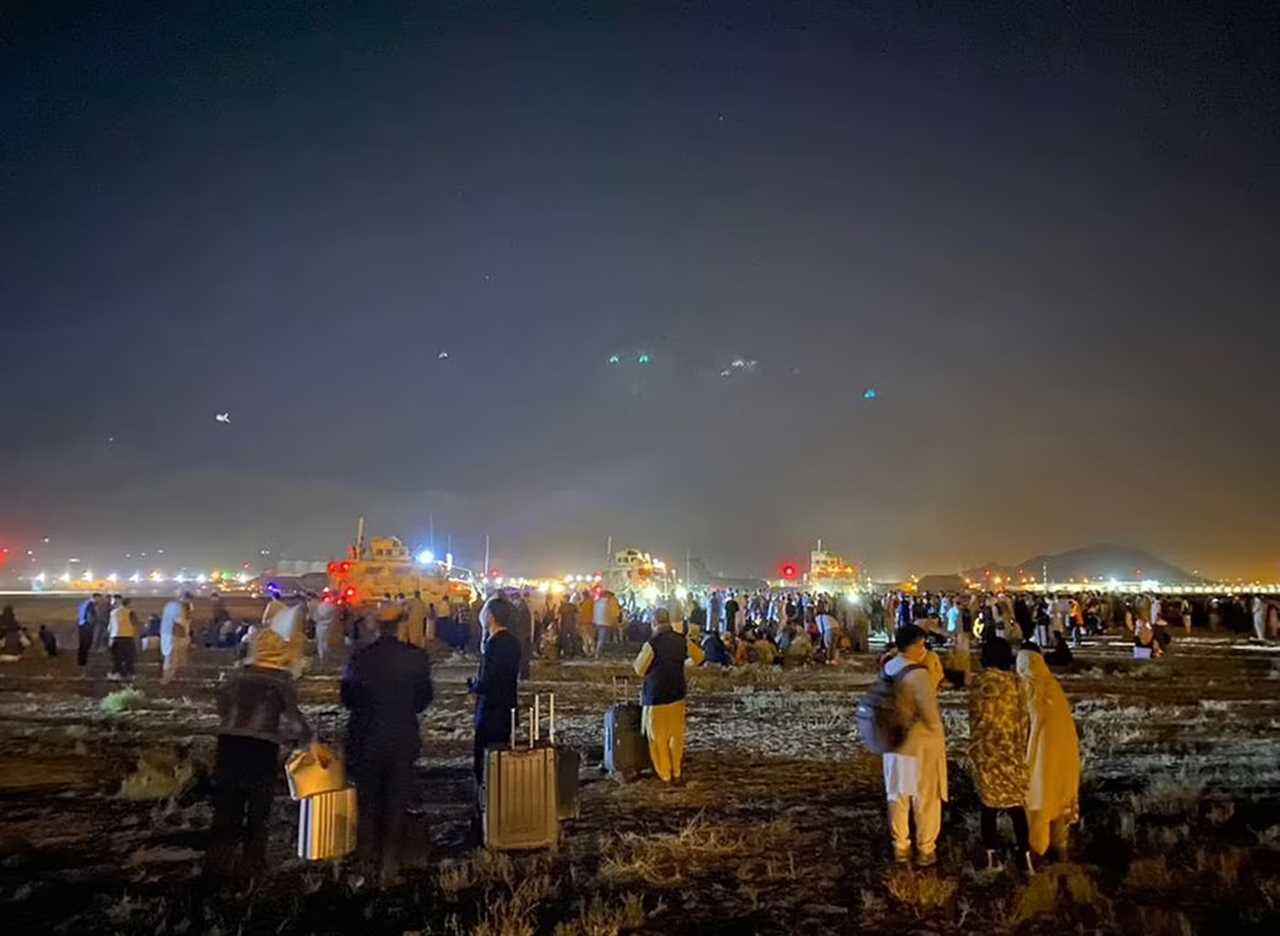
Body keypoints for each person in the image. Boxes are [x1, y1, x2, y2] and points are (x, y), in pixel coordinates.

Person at [203, 628, 314, 890]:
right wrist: (305, 740)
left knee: (226, 809)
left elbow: (221, 707)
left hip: (229, 743)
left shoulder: (236, 677)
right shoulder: (281, 681)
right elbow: (291, 722)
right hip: (261, 747)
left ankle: (216, 867)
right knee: (257, 810)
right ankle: (251, 867)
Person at [341, 604, 434, 885]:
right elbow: (424, 699)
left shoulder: (360, 657)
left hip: (365, 737)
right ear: (402, 624)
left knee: (367, 803)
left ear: (376, 626)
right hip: (401, 738)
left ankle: (366, 862)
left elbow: (347, 698)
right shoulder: (416, 658)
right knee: (396, 802)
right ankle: (389, 865)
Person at [882, 624, 948, 866]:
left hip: (894, 742)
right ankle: (926, 848)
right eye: (921, 645)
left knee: (899, 795)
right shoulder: (919, 675)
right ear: (913, 645)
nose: (924, 650)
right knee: (926, 798)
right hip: (920, 747)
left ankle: (900, 847)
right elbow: (931, 717)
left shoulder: (889, 667)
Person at [968, 638, 1032, 871]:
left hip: (989, 753)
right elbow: (1024, 716)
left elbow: (975, 718)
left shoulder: (981, 683)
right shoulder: (1016, 683)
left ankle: (992, 857)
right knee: (1016, 807)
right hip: (1012, 752)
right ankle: (1026, 857)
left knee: (989, 807)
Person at [1017, 650, 1080, 861]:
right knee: (1060, 801)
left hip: (1040, 759)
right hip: (1065, 757)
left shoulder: (1029, 688)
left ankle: (1039, 856)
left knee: (1040, 804)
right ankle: (1061, 853)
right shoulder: (1053, 686)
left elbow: (1027, 725)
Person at [633, 608, 704, 785]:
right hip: (677, 693)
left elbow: (639, 669)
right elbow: (700, 657)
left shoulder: (652, 644)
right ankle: (677, 771)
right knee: (675, 737)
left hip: (656, 696)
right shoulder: (682, 640)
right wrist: (684, 663)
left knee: (658, 738)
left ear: (654, 622)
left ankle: (665, 774)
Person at [467, 597, 521, 798]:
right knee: (500, 754)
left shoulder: (494, 644)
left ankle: (486, 799)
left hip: (491, 710)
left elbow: (489, 681)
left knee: (485, 758)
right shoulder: (513, 642)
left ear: (491, 616)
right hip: (507, 707)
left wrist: (475, 686)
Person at [160, 591, 194, 683]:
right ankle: (167, 678)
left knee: (173, 658)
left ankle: (169, 678)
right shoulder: (178, 607)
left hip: (171, 635)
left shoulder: (172, 605)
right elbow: (181, 622)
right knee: (172, 658)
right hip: (174, 635)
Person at [108, 596, 138, 680]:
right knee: (129, 658)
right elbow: (134, 624)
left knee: (117, 658)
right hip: (128, 637)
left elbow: (109, 627)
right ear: (129, 604)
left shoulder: (113, 612)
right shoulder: (130, 612)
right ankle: (130, 674)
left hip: (115, 638)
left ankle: (117, 674)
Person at [77, 593, 102, 667]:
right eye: (99, 599)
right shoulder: (91, 604)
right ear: (95, 597)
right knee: (86, 644)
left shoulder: (85, 603)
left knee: (83, 644)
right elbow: (90, 616)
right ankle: (82, 661)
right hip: (86, 626)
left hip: (82, 625)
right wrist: (95, 622)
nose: (99, 601)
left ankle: (81, 660)